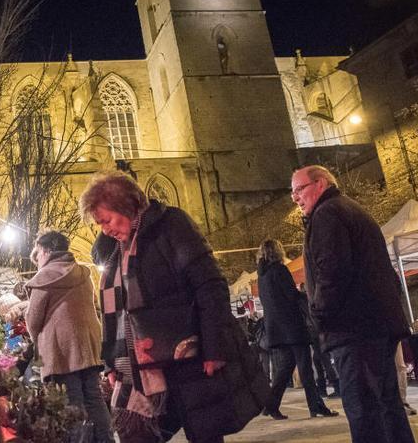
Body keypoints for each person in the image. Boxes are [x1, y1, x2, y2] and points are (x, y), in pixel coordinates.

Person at [81, 171, 268, 443]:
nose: (105, 229)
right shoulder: (115, 249)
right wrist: (113, 362)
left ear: (126, 205)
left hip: (188, 357)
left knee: (204, 431)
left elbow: (209, 285)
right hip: (143, 369)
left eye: (106, 219)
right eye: (100, 223)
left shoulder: (170, 225)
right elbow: (118, 314)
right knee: (138, 436)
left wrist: (213, 349)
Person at [292, 165, 414, 443]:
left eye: (300, 189)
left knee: (364, 410)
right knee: (387, 406)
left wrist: (319, 315)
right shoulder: (349, 209)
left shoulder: (327, 214)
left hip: (354, 329)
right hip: (374, 325)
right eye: (293, 193)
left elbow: (332, 272)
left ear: (320, 184)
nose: (295, 198)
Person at [25, 230, 114, 443]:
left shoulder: (44, 278)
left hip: (61, 350)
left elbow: (33, 320)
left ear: (46, 251)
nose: (38, 261)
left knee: (71, 403)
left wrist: (36, 341)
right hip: (88, 344)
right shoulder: (82, 272)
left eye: (38, 254)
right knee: (94, 398)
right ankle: (105, 440)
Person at [256, 239, 338, 420]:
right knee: (305, 368)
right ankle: (316, 406)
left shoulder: (261, 276)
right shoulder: (280, 270)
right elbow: (291, 296)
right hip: (291, 327)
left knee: (285, 368)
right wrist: (307, 296)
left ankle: (270, 405)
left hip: (276, 330)